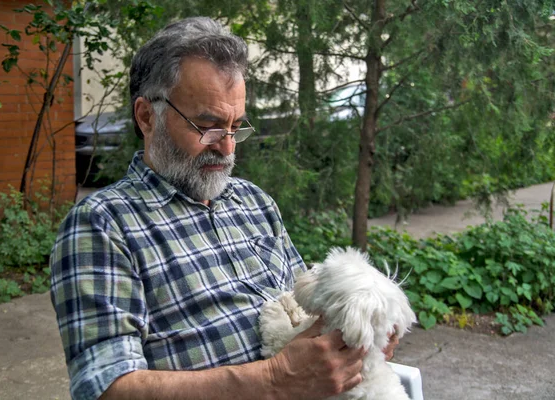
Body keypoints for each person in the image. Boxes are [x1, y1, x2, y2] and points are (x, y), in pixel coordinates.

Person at [50, 17, 398, 400]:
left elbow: (302, 313)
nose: (228, 148)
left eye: (236, 126)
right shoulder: (103, 225)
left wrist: (359, 346)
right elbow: (104, 388)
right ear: (147, 116)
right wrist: (274, 381)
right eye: (209, 127)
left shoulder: (254, 202)